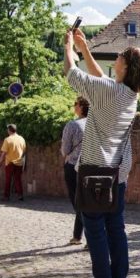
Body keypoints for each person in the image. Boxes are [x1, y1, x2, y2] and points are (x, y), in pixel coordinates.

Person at [64, 27, 140, 278]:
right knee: (116, 228)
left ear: (126, 65)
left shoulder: (110, 92)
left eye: (118, 58)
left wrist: (68, 47)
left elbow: (72, 73)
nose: (115, 61)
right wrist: (85, 49)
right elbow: (101, 78)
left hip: (94, 170)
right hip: (117, 172)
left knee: (95, 229)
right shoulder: (129, 94)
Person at [61, 96, 90, 248]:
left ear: (80, 107)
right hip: (92, 165)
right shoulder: (95, 124)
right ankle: (77, 235)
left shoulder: (73, 125)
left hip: (73, 165)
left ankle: (91, 238)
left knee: (78, 203)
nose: (74, 106)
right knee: (87, 201)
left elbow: (65, 150)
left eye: (75, 104)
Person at [0, 124, 26, 201]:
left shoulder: (7, 139)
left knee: (8, 180)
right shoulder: (22, 139)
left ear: (9, 130)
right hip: (19, 162)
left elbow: (4, 153)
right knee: (18, 179)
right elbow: (23, 151)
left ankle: (6, 196)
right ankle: (20, 195)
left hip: (10, 162)